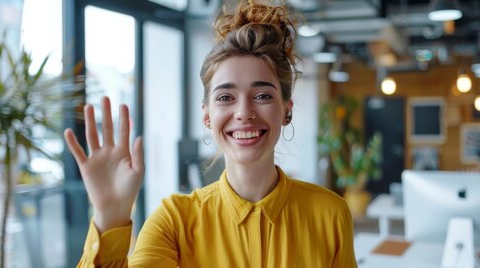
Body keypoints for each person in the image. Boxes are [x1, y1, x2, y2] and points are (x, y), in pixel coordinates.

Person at [63, 1, 356, 267]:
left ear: (286, 110)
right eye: (226, 98)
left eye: (263, 96)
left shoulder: (330, 213)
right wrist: (109, 218)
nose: (243, 112)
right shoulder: (174, 221)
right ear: (206, 115)